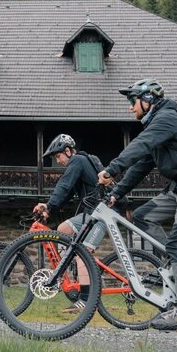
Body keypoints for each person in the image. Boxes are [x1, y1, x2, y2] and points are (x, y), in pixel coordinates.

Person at [96, 79, 177, 331]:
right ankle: (173, 264)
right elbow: (141, 165)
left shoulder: (166, 118)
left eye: (132, 101)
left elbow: (140, 145)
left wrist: (111, 169)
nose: (130, 107)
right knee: (143, 216)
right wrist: (116, 193)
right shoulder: (158, 128)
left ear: (148, 100)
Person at [32, 133, 106, 312]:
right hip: (90, 215)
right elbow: (68, 193)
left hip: (102, 215)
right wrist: (49, 207)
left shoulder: (78, 161)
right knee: (62, 229)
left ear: (68, 151)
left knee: (83, 254)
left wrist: (49, 207)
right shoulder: (81, 163)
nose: (57, 160)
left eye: (58, 156)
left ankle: (86, 301)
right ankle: (70, 268)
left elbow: (64, 186)